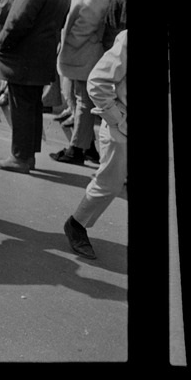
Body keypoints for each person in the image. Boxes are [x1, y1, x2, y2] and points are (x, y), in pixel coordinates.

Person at [0, 0, 71, 172]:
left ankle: (21, 157)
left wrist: (2, 45)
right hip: (41, 56)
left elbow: (16, 22)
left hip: (23, 58)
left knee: (22, 109)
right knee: (32, 107)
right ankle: (28, 155)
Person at [51, 0, 127, 166]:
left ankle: (78, 148)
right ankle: (87, 146)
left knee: (83, 96)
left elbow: (92, 12)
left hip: (88, 42)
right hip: (85, 42)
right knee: (79, 95)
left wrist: (74, 38)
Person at [63, 26, 127, 260]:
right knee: (109, 184)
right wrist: (117, 118)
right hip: (121, 128)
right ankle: (77, 224)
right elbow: (97, 81)